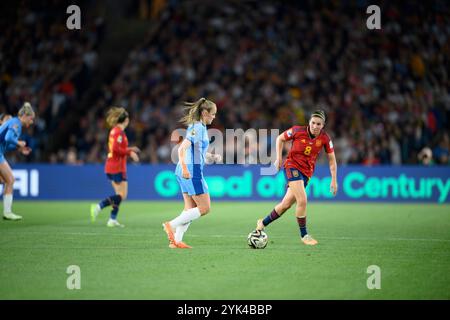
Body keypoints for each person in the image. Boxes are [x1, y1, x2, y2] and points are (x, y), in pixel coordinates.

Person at [255, 110, 338, 245]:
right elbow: (280, 138)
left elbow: (332, 160)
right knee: (302, 199)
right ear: (309, 122)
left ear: (323, 125)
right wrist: (278, 159)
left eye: (318, 124)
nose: (315, 126)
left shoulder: (325, 138)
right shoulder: (297, 130)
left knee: (285, 205)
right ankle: (304, 235)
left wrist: (334, 180)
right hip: (291, 166)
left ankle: (262, 223)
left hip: (306, 173)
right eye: (313, 123)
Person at [162, 97, 220, 249]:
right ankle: (171, 225)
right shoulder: (199, 128)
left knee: (189, 209)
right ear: (205, 112)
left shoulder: (198, 127)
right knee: (205, 208)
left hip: (182, 171)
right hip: (190, 171)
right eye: (213, 114)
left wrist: (211, 156)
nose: (214, 117)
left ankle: (176, 241)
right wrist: (186, 169)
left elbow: (198, 150)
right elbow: (182, 149)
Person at [90, 107, 140, 227]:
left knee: (119, 195)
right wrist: (130, 152)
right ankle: (99, 206)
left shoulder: (114, 131)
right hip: (117, 166)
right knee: (122, 195)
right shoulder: (119, 132)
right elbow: (116, 149)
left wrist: (129, 149)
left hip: (112, 165)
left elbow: (116, 148)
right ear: (126, 120)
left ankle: (112, 219)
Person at [0, 103, 35, 220]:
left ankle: (7, 212)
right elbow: (8, 138)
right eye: (31, 119)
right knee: (10, 180)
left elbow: (5, 144)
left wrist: (18, 148)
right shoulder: (17, 123)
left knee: (4, 180)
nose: (32, 122)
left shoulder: (15, 122)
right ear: (25, 115)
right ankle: (7, 212)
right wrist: (19, 143)